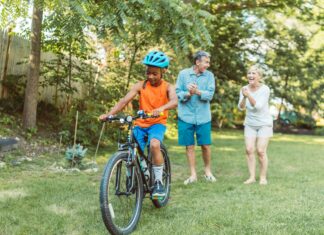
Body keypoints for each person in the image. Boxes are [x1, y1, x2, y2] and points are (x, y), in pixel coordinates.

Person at [99, 51, 178, 197]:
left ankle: (159, 183)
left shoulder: (168, 87)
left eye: (155, 73)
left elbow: (174, 101)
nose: (150, 76)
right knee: (132, 151)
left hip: (157, 123)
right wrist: (110, 114)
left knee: (154, 145)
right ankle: (136, 178)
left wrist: (161, 109)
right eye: (148, 73)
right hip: (140, 124)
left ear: (163, 71)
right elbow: (124, 101)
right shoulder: (140, 85)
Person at [176, 51, 216, 185]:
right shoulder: (183, 74)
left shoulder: (210, 76)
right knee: (189, 146)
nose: (208, 65)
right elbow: (178, 94)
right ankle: (193, 174)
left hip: (203, 117)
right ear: (197, 62)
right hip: (185, 116)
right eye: (206, 62)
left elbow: (210, 95)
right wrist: (188, 93)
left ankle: (207, 171)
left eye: (208, 62)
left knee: (205, 145)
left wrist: (197, 92)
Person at [238, 65, 273, 185]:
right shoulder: (244, 89)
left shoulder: (265, 89)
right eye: (249, 73)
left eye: (254, 73)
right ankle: (252, 177)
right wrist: (243, 96)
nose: (251, 76)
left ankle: (263, 177)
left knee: (261, 151)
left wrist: (248, 95)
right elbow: (241, 107)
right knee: (249, 149)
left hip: (264, 123)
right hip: (250, 123)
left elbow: (258, 106)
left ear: (259, 76)